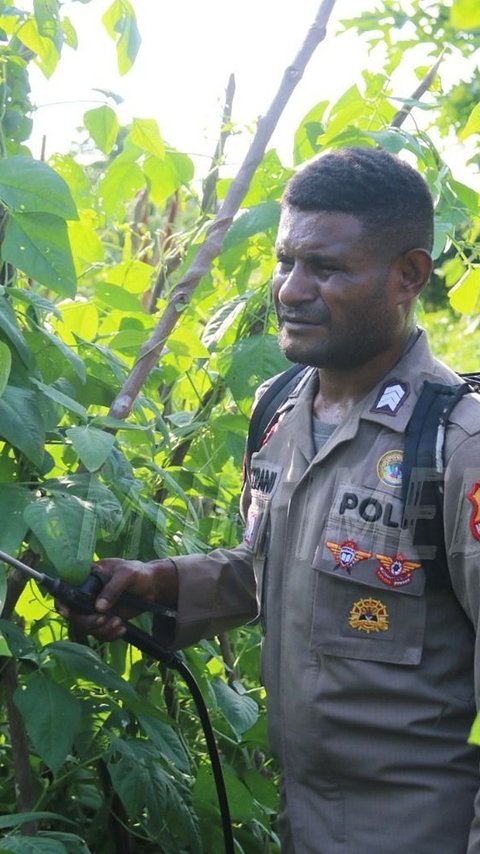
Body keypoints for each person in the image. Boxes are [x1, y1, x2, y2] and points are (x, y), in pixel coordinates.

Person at [63, 147, 480, 853]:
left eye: (327, 267)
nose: (289, 289)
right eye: (286, 261)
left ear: (408, 275)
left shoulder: (456, 444)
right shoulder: (280, 410)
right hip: (301, 825)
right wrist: (161, 583)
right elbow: (273, 567)